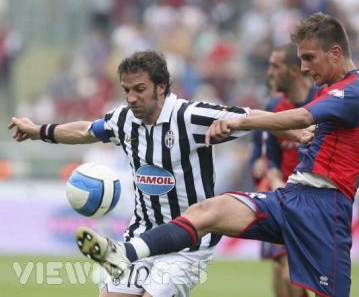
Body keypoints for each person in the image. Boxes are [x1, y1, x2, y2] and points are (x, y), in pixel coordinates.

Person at [59, 12, 359, 297]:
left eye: (309, 58)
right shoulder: (332, 90)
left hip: (325, 210)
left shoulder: (355, 91)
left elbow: (302, 117)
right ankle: (125, 252)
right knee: (209, 210)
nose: (304, 67)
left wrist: (240, 120)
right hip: (293, 196)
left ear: (335, 53)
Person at [8, 50, 259, 297]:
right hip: (141, 236)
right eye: (126, 90)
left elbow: (252, 118)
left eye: (139, 89)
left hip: (188, 241)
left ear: (161, 87)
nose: (130, 98)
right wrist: (38, 131)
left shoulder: (191, 116)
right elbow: (86, 130)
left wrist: (297, 127)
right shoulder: (124, 119)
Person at [250, 43, 359, 297]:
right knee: (281, 273)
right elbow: (271, 161)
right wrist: (274, 180)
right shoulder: (274, 106)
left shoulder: (324, 100)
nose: (271, 72)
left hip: (318, 200)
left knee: (296, 276)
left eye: (276, 66)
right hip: (283, 197)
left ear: (293, 70)